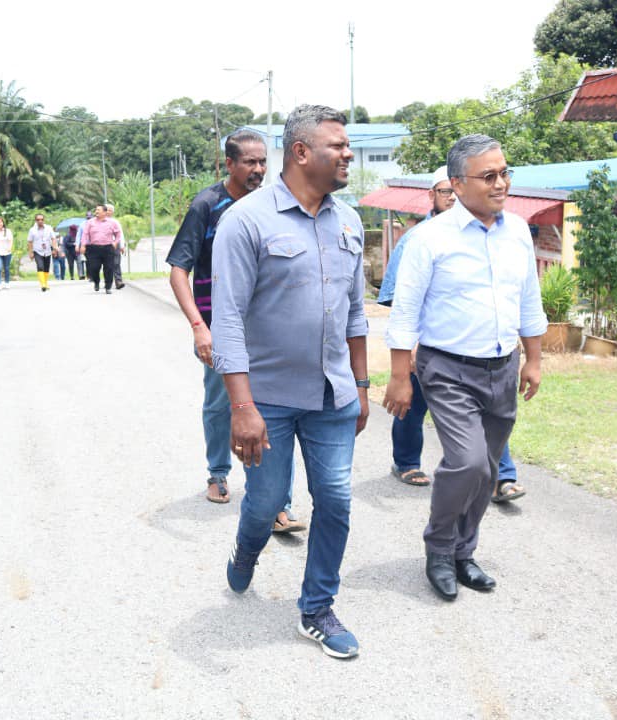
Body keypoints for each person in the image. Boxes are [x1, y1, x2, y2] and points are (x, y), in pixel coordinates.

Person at [212, 105, 369, 659]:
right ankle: (246, 550)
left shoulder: (349, 221)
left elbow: (355, 313)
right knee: (265, 502)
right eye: (338, 146)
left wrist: (362, 385)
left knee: (336, 499)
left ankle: (317, 607)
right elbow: (227, 319)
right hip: (268, 399)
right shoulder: (246, 221)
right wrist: (241, 406)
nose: (348, 154)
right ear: (301, 152)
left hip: (333, 396)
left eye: (348, 146)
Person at [383, 134, 546, 602]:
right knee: (467, 461)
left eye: (505, 173)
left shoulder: (516, 230)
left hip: (502, 367)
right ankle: (438, 549)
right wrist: (399, 378)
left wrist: (533, 358)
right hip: (448, 368)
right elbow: (404, 312)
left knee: (489, 469)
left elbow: (528, 300)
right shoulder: (429, 238)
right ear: (457, 183)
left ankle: (462, 552)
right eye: (489, 175)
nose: (501, 183)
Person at [166, 130, 304, 532]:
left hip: (269, 330)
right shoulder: (207, 206)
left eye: (263, 162)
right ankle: (217, 472)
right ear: (229, 164)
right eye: (250, 163)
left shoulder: (276, 204)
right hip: (218, 327)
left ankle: (279, 502)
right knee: (220, 403)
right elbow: (178, 270)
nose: (259, 170)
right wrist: (198, 327)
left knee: (274, 411)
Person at [377, 168, 525, 500]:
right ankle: (406, 462)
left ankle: (502, 476)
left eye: (453, 191)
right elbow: (401, 302)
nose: (450, 197)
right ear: (433, 196)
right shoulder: (419, 238)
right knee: (411, 406)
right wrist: (410, 348)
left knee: (489, 415)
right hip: (430, 348)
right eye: (444, 192)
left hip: (482, 352)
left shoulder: (497, 231)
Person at [81, 205, 121, 294]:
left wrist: (115, 242)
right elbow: (85, 234)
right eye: (96, 210)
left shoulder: (112, 223)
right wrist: (83, 245)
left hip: (108, 248)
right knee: (94, 267)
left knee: (109, 268)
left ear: (105, 212)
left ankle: (108, 287)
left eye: (99, 210)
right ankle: (96, 282)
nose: (96, 212)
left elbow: (118, 233)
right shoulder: (90, 222)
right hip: (94, 248)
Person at [27, 213, 59, 292]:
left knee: (46, 268)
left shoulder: (49, 228)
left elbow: (53, 239)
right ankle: (43, 284)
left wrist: (55, 248)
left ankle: (45, 282)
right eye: (38, 220)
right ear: (36, 221)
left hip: (47, 250)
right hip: (37, 251)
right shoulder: (32, 230)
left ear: (44, 220)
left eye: (42, 219)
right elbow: (30, 242)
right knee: (40, 266)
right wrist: (30, 253)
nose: (40, 221)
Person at [104, 203, 125, 289]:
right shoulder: (99, 221)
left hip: (115, 244)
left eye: (110, 210)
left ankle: (118, 281)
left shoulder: (116, 222)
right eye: (106, 210)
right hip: (104, 244)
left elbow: (120, 234)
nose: (108, 212)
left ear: (112, 212)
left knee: (116, 263)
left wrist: (122, 245)